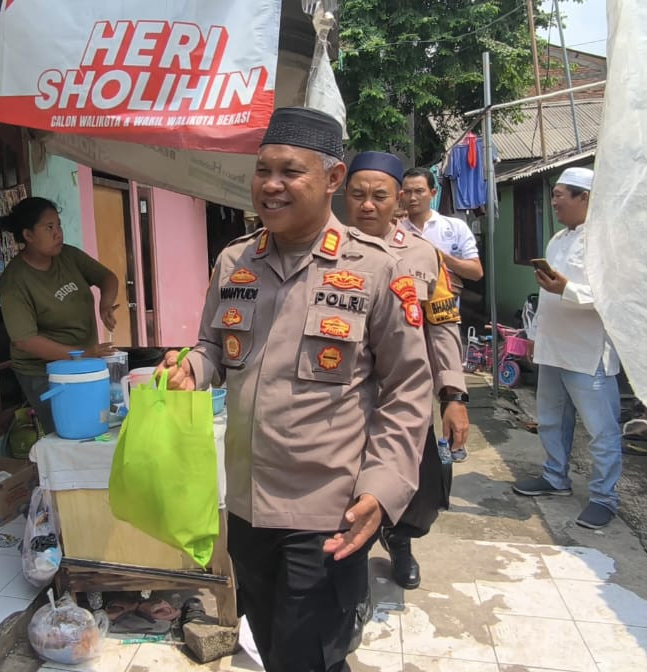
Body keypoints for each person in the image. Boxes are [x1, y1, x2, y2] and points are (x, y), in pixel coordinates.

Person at [158, 107, 434, 672]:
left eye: (290, 171)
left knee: (310, 656)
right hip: (246, 505)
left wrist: (382, 488)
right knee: (271, 645)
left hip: (326, 511)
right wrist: (193, 367)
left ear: (333, 179)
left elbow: (408, 388)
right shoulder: (235, 261)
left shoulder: (376, 269)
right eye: (263, 170)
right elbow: (213, 346)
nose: (271, 185)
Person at [344, 151, 470, 589]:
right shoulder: (327, 251)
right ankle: (350, 569)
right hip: (344, 398)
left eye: (379, 196)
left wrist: (453, 396)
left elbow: (443, 325)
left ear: (399, 200)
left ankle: (400, 544)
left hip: (406, 398)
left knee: (413, 485)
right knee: (346, 488)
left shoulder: (424, 256)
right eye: (357, 195)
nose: (367, 205)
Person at [512, 167, 623, 530]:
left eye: (560, 194)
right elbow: (547, 295)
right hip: (553, 348)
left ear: (584, 197)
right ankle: (555, 477)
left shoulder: (607, 241)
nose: (553, 201)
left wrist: (567, 290)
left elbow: (613, 296)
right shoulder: (557, 240)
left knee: (601, 430)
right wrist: (534, 335)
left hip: (588, 353)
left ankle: (604, 496)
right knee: (551, 421)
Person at [0, 196, 120, 432]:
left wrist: (105, 303)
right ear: (28, 235)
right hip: (45, 373)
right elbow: (25, 340)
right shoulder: (15, 281)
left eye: (59, 225)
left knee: (95, 426)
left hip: (84, 363)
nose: (58, 233)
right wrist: (82, 353)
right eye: (49, 227)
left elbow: (107, 278)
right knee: (69, 432)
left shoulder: (68, 256)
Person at [400, 167, 484, 282]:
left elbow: (476, 272)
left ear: (433, 193)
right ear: (401, 195)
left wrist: (438, 256)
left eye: (419, 191)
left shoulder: (456, 227)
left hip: (444, 298)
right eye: (407, 192)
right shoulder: (396, 230)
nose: (413, 197)